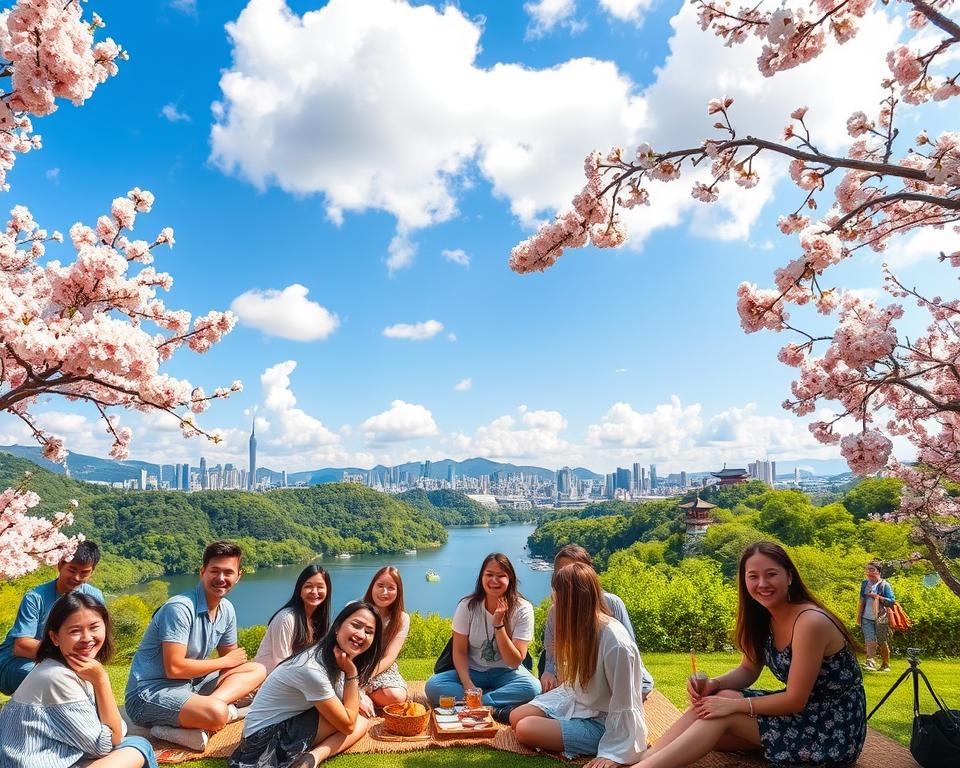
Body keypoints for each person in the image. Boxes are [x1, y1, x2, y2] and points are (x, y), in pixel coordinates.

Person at [633, 541, 866, 768]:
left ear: (790, 576)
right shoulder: (764, 616)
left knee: (721, 716)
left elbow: (795, 699)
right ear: (744, 580)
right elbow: (748, 669)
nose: (762, 583)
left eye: (771, 574)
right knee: (713, 706)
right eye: (753, 576)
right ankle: (648, 756)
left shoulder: (809, 622)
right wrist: (714, 684)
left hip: (832, 727)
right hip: (805, 714)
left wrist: (732, 707)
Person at [124, 541, 267, 751]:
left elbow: (233, 665)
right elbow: (174, 669)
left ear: (238, 576)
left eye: (228, 572)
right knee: (218, 712)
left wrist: (231, 669)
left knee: (257, 669)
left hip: (190, 685)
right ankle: (215, 714)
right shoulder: (179, 608)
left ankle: (207, 712)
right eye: (214, 571)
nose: (221, 578)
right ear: (202, 572)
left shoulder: (226, 609)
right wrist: (224, 663)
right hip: (149, 694)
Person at [511, 562, 648, 768]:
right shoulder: (580, 629)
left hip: (604, 720)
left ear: (571, 600)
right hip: (578, 699)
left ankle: (581, 736)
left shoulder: (615, 643)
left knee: (525, 728)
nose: (552, 599)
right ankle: (565, 726)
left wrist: (614, 754)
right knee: (516, 716)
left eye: (556, 594)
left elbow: (625, 703)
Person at [0, 592, 158, 768]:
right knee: (137, 748)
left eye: (94, 627)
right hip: (35, 762)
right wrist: (102, 681)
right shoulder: (58, 677)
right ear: (55, 638)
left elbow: (114, 732)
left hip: (46, 757)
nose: (87, 638)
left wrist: (99, 681)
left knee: (134, 744)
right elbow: (103, 744)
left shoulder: (63, 668)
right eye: (75, 631)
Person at [229, 601, 383, 768]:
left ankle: (312, 757)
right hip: (260, 745)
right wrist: (352, 675)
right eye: (356, 625)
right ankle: (308, 758)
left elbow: (348, 710)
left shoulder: (334, 656)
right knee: (354, 723)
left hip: (277, 728)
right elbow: (347, 725)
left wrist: (357, 695)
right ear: (337, 627)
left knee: (362, 722)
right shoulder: (312, 668)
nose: (361, 635)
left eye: (369, 632)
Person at [424, 552, 541, 722]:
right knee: (433, 686)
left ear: (510, 579)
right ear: (481, 577)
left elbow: (514, 661)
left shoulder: (523, 609)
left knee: (533, 688)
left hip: (506, 673)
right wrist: (467, 684)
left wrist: (499, 625)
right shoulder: (467, 606)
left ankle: (478, 704)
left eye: (501, 576)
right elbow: (459, 651)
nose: (494, 580)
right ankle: (494, 705)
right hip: (472, 671)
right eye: (489, 575)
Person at [540, 544, 654, 701]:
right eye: (562, 571)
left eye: (576, 568)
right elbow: (551, 648)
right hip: (582, 680)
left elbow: (629, 650)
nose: (569, 576)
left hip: (618, 678)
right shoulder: (556, 610)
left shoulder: (611, 602)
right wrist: (549, 671)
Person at [0, 540, 104, 695]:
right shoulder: (35, 598)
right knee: (56, 679)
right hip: (19, 662)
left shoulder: (94, 597)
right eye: (72, 570)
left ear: (92, 572)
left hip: (63, 661)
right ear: (61, 565)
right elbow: (21, 645)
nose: (76, 577)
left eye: (84, 573)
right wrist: (68, 658)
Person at [255, 565, 332, 674]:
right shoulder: (286, 618)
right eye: (308, 586)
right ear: (299, 590)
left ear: (327, 590)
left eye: (320, 587)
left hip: (295, 679)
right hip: (271, 681)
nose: (314, 592)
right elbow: (281, 663)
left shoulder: (319, 621)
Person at [360, 565, 409, 709]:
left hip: (381, 667)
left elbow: (389, 657)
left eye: (391, 588)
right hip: (354, 663)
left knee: (397, 698)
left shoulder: (401, 618)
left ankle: (361, 694)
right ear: (372, 587)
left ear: (398, 592)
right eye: (380, 585)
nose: (384, 592)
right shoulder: (356, 608)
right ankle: (356, 695)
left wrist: (367, 677)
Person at [858, 561, 895, 672]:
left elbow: (891, 601)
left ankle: (885, 664)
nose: (869, 572)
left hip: (881, 618)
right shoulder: (865, 584)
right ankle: (870, 663)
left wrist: (877, 596)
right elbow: (861, 600)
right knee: (869, 640)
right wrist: (859, 615)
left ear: (878, 571)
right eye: (868, 569)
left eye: (872, 569)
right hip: (866, 617)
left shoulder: (884, 585)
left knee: (881, 641)